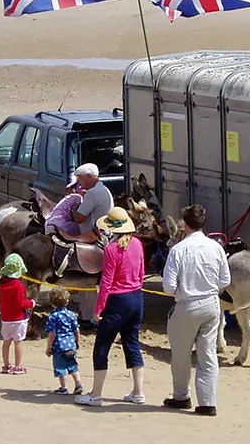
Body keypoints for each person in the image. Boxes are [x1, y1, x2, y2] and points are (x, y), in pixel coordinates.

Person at [162, 204, 231, 417]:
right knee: (208, 354)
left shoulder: (178, 250)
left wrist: (183, 290)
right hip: (211, 304)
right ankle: (208, 402)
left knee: (181, 355)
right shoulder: (216, 247)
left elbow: (168, 286)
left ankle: (181, 396)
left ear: (185, 224)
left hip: (187, 304)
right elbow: (225, 280)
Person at [75, 207, 146, 407]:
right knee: (132, 343)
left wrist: (98, 309)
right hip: (136, 297)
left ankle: (96, 394)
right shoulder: (138, 244)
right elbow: (141, 273)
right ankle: (138, 392)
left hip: (117, 300)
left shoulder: (111, 249)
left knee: (102, 346)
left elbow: (106, 281)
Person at [70, 163, 114, 321]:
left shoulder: (93, 193)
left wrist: (72, 208)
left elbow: (80, 217)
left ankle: (90, 315)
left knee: (85, 275)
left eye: (80, 178)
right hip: (101, 235)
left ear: (89, 177)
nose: (79, 182)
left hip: (94, 238)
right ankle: (87, 312)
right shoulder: (102, 190)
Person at [0, 253, 35, 375]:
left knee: (6, 341)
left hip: (5, 318)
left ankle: (6, 365)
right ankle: (18, 366)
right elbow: (22, 302)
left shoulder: (1, 283)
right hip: (18, 318)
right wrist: (32, 303)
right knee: (18, 341)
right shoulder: (18, 285)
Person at [44, 287, 83, 395]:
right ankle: (78, 384)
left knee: (60, 368)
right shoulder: (71, 315)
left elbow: (52, 333)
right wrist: (77, 341)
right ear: (67, 301)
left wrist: (48, 347)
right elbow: (76, 330)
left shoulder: (53, 316)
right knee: (73, 366)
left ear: (52, 303)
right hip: (71, 345)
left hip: (59, 346)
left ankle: (63, 387)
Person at [43, 175, 85, 240]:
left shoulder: (69, 196)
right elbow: (76, 217)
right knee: (83, 229)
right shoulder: (77, 198)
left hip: (50, 224)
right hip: (59, 225)